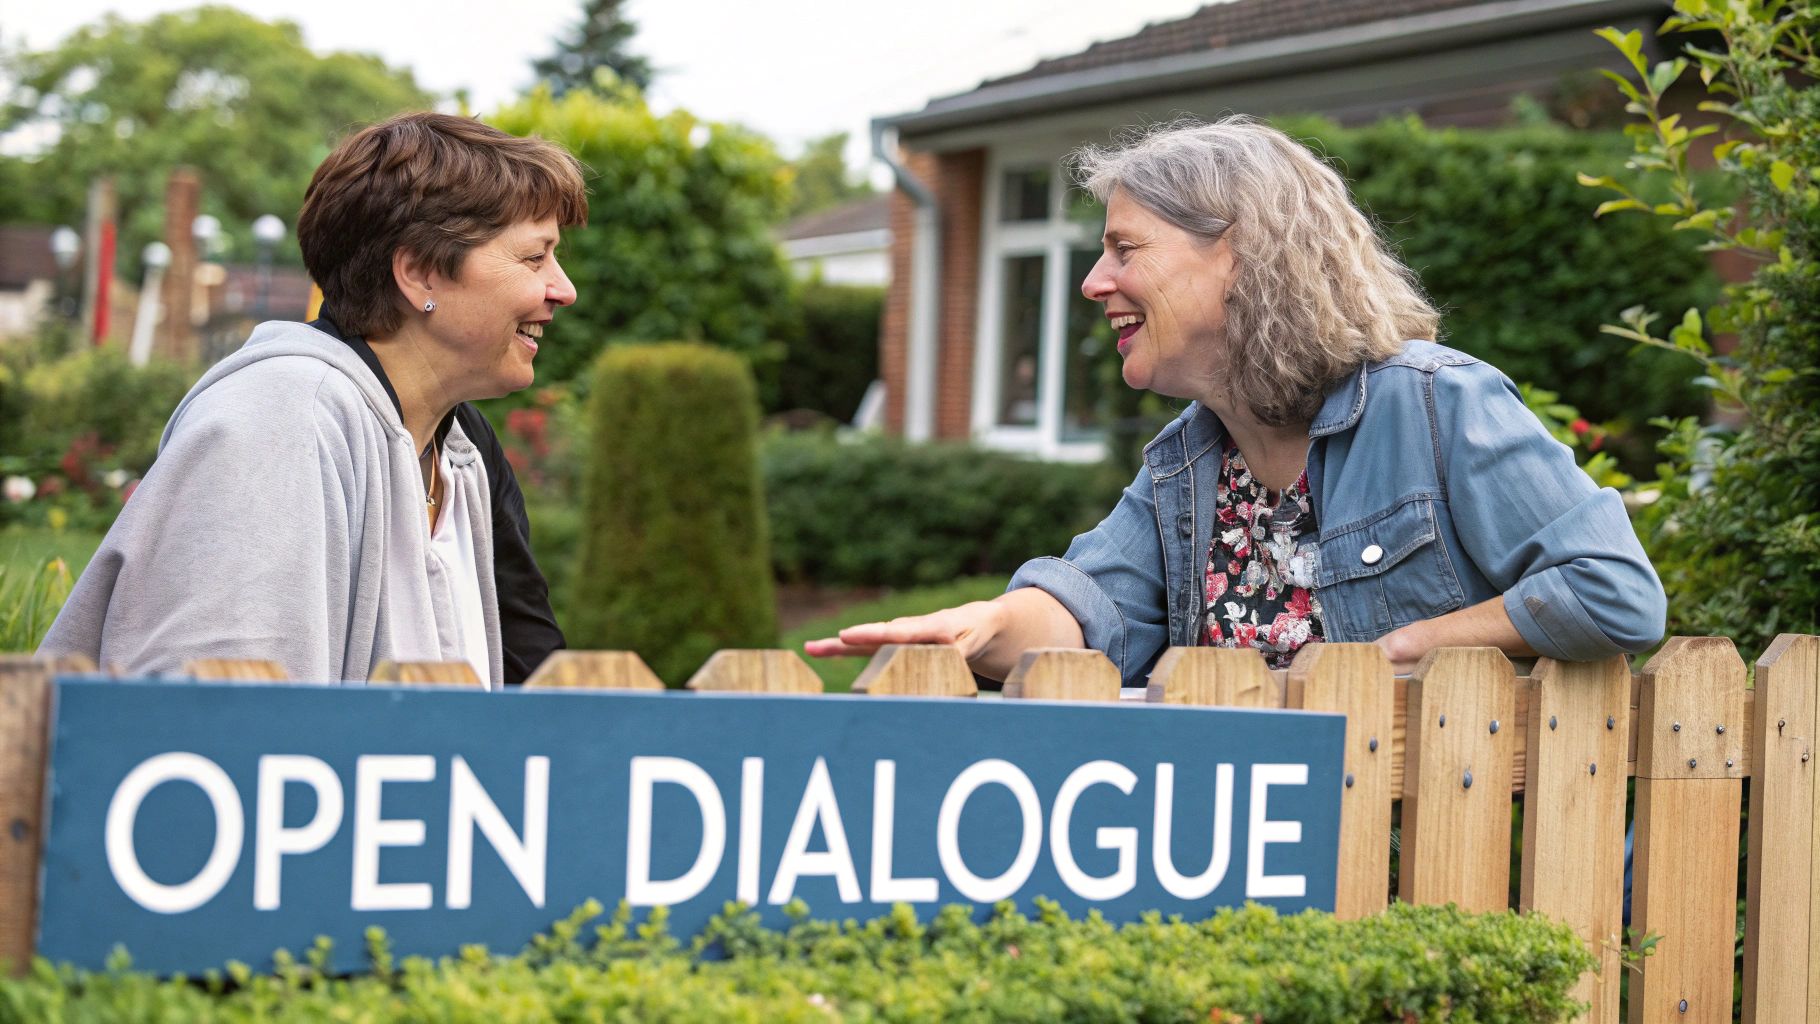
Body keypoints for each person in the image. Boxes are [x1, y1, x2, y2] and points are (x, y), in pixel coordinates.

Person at [807, 117, 1665, 683]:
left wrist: (1410, 646)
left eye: (1124, 248)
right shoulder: (1189, 460)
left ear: (1242, 254)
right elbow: (1088, 605)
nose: (1094, 281)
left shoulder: (1436, 407)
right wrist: (985, 625)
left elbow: (1615, 589)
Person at [41, 112, 584, 688]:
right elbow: (219, 723)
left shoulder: (459, 446)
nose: (564, 289)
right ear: (421, 273)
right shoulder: (277, 420)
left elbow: (537, 691)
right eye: (534, 257)